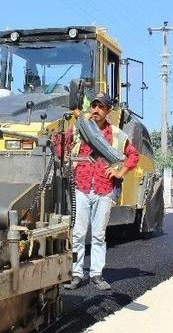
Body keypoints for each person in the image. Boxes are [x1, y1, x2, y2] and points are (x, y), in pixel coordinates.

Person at [54, 93, 140, 291]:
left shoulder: (117, 135)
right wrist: (64, 149)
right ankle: (76, 274)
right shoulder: (78, 131)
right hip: (82, 186)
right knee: (77, 234)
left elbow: (133, 156)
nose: (96, 110)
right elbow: (59, 146)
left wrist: (121, 171)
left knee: (99, 235)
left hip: (104, 189)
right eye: (93, 106)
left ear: (108, 110)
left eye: (101, 107)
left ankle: (96, 275)